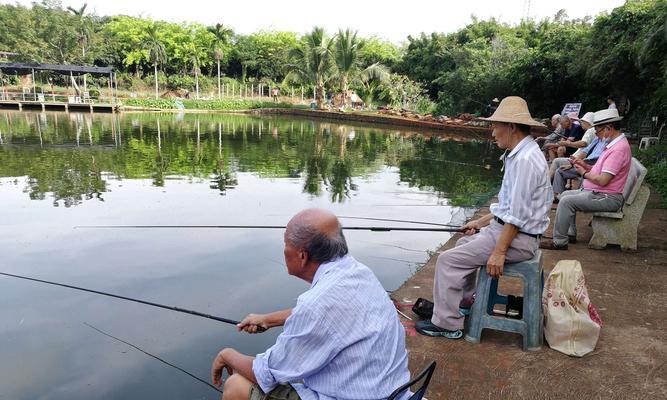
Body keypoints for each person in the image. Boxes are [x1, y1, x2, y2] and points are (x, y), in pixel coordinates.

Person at [211, 209, 411, 400]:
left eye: (285, 243)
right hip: (393, 393)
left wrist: (227, 355)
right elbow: (332, 313)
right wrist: (268, 319)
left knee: (236, 386)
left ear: (302, 255)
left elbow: (265, 373)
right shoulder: (359, 272)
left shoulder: (316, 304)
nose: (283, 249)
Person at [415, 96, 553, 339]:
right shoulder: (522, 153)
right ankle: (465, 303)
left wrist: (499, 252)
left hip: (517, 239)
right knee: (462, 244)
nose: (492, 132)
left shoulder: (525, 161)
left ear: (511, 127)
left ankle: (447, 324)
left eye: (495, 126)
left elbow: (516, 217)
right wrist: (479, 223)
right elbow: (508, 207)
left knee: (447, 260)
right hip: (509, 232)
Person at [540, 108, 631, 250]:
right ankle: (569, 233)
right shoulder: (613, 145)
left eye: (598, 131)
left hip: (608, 197)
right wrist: (585, 166)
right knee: (564, 195)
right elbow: (601, 172)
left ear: (609, 128)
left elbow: (603, 180)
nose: (597, 134)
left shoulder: (618, 149)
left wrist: (583, 173)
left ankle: (559, 242)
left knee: (567, 201)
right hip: (600, 193)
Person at [552, 125, 608, 200]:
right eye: (595, 131)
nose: (595, 133)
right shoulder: (597, 139)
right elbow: (585, 151)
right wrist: (572, 163)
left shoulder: (609, 142)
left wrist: (582, 164)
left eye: (597, 131)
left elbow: (584, 145)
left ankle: (570, 198)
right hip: (585, 162)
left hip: (594, 165)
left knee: (583, 174)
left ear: (605, 130)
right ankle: (558, 196)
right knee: (560, 171)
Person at [548, 112, 596, 180]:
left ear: (588, 122)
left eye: (582, 122)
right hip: (578, 157)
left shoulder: (589, 131)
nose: (581, 123)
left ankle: (548, 182)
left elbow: (583, 144)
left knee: (556, 160)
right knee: (554, 149)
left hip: (578, 157)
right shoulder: (593, 131)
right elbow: (585, 149)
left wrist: (574, 159)